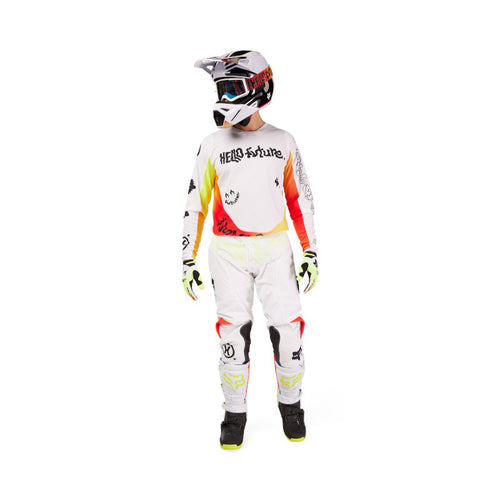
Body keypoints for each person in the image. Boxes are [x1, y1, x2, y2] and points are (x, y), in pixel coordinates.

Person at [182, 50, 318, 450]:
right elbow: (195, 202)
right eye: (220, 89)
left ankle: (291, 407)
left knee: (288, 332)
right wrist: (187, 257)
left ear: (258, 88)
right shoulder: (212, 144)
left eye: (232, 88)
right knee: (232, 336)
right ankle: (234, 413)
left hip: (275, 249)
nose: (224, 97)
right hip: (227, 251)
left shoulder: (283, 141)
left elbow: (301, 199)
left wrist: (310, 251)